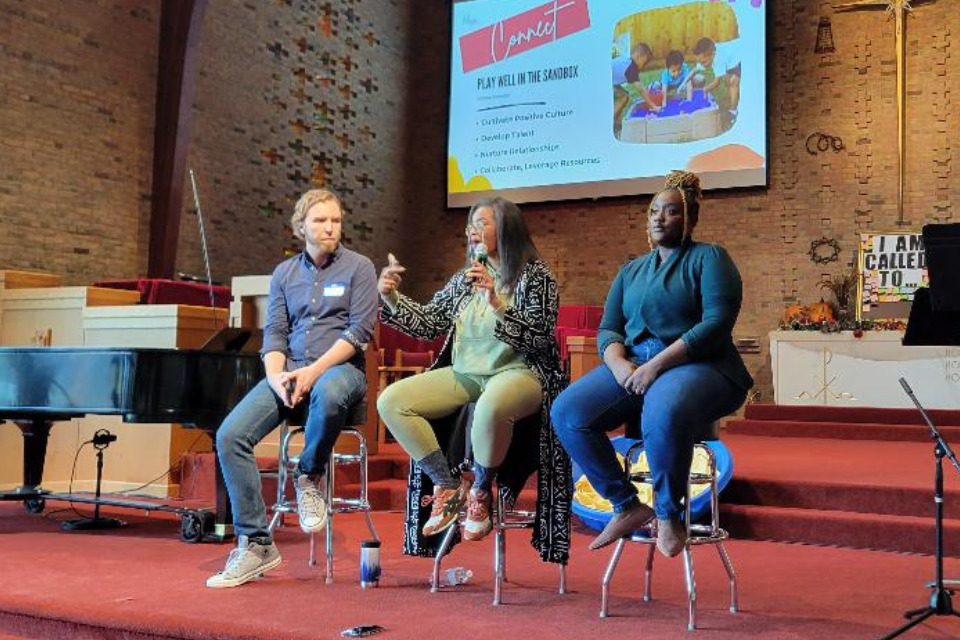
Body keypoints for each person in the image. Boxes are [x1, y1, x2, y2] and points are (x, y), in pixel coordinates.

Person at [551, 171, 753, 558]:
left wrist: (656, 365)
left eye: (671, 212)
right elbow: (609, 328)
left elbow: (715, 324)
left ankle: (667, 513)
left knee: (662, 406)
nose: (660, 218)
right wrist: (619, 365)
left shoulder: (710, 258)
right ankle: (626, 504)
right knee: (567, 410)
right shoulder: (630, 271)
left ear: (689, 218)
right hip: (634, 364)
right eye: (654, 211)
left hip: (704, 365)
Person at [377, 196, 570, 561]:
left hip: (520, 372)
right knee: (392, 400)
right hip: (466, 372)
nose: (473, 231)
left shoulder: (535, 276)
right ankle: (448, 487)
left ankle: (481, 491)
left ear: (507, 229)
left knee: (490, 406)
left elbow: (540, 339)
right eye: (471, 224)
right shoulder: (464, 279)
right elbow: (430, 323)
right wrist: (391, 297)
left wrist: (496, 301)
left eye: (483, 223)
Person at [206, 188, 378, 588]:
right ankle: (257, 543)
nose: (330, 227)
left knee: (330, 391)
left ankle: (308, 477)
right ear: (301, 226)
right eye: (321, 220)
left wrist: (312, 372)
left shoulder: (359, 268)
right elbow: (275, 336)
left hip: (340, 372)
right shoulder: (284, 274)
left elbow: (359, 332)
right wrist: (276, 378)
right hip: (289, 373)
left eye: (335, 220)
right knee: (231, 435)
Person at [692, 36, 741, 121]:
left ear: (713, 54)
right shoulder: (708, 54)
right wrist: (684, 83)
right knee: (727, 81)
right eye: (700, 62)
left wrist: (705, 90)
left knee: (733, 81)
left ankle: (733, 110)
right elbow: (695, 70)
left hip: (742, 55)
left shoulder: (718, 59)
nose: (702, 65)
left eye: (704, 62)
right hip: (731, 60)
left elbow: (716, 83)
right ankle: (733, 101)